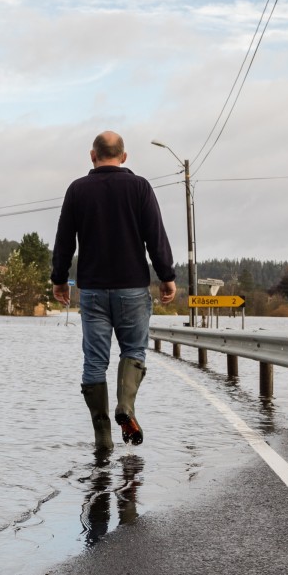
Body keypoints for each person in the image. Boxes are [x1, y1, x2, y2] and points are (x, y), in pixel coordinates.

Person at [51, 131, 178, 453]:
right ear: (124, 157)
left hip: (92, 289)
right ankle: (126, 406)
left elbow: (65, 239)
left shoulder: (77, 189)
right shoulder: (139, 188)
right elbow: (155, 236)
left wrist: (58, 279)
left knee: (94, 362)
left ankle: (103, 436)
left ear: (92, 156)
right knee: (133, 351)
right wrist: (167, 277)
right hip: (133, 287)